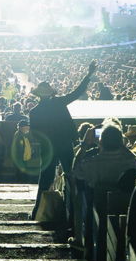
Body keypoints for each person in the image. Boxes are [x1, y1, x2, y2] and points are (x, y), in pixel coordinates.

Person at [29, 60, 96, 220]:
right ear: (51, 93)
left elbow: (35, 134)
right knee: (71, 176)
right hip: (64, 145)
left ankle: (37, 211)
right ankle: (74, 213)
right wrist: (88, 75)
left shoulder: (34, 112)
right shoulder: (59, 103)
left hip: (48, 148)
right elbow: (77, 92)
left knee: (44, 179)